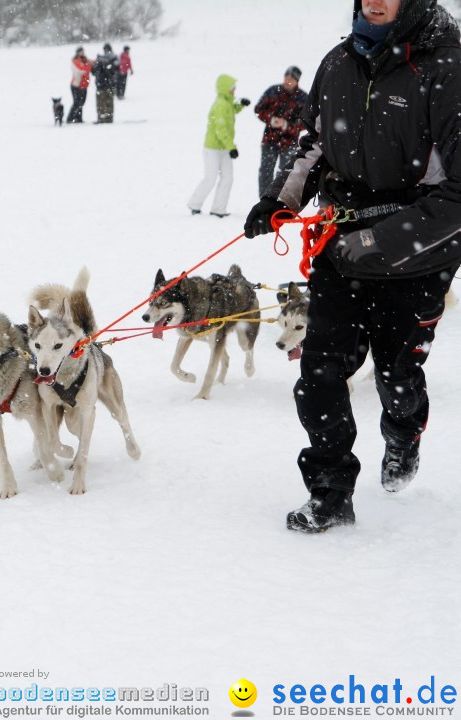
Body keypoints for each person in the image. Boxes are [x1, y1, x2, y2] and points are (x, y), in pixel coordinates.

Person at [242, 0, 461, 533]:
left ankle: (403, 435)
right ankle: (331, 490)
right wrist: (283, 198)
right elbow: (314, 142)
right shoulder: (338, 61)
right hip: (340, 249)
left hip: (418, 255)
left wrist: (378, 239)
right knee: (318, 372)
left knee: (398, 377)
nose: (375, 2)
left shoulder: (446, 66)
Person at [187, 74, 250, 218]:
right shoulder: (220, 105)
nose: (234, 90)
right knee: (211, 177)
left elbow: (232, 109)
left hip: (224, 148)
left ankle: (218, 209)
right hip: (213, 148)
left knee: (228, 177)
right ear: (225, 88)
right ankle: (194, 204)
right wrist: (232, 147)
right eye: (232, 88)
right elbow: (220, 130)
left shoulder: (226, 102)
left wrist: (240, 104)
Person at [253, 66, 308, 197]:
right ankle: (264, 199)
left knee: (286, 173)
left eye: (291, 79)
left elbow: (306, 122)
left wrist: (287, 125)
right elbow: (258, 109)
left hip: (289, 142)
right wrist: (271, 119)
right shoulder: (273, 91)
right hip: (269, 139)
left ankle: (280, 201)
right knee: (265, 172)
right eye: (286, 78)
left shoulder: (303, 98)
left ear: (297, 81)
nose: (287, 81)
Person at [92, 43, 119, 123]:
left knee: (100, 103)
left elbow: (93, 71)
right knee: (109, 102)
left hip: (101, 84)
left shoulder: (100, 59)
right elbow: (116, 70)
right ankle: (109, 118)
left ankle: (101, 118)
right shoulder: (114, 59)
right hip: (110, 84)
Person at [66, 47, 92, 124]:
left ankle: (78, 118)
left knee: (82, 102)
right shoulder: (75, 61)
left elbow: (91, 64)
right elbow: (81, 71)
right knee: (77, 102)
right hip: (76, 85)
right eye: (81, 52)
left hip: (84, 85)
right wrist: (88, 66)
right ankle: (70, 118)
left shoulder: (84, 60)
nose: (83, 53)